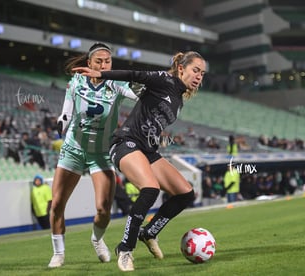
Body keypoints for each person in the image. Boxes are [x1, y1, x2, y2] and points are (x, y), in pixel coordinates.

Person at [73, 50, 206, 271]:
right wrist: (101, 73)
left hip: (148, 150)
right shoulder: (165, 80)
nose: (199, 76)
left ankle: (149, 232)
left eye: (202, 73)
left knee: (185, 193)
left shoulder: (178, 96)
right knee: (150, 189)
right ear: (181, 68)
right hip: (125, 143)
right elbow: (135, 74)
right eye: (196, 70)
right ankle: (125, 248)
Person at [48, 42, 139, 268]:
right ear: (89, 63)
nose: (103, 64)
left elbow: (137, 95)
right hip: (74, 149)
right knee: (57, 204)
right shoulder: (76, 82)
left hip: (101, 153)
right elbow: (66, 112)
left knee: (103, 209)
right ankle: (58, 253)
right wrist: (62, 121)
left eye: (107, 61)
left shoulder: (116, 83)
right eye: (98, 61)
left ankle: (97, 239)